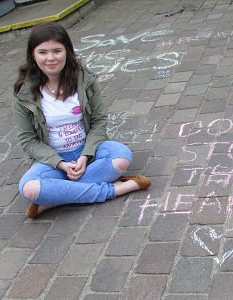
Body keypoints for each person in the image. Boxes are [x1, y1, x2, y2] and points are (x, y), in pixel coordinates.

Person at [13, 22, 151, 218]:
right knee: (29, 188)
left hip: (89, 151)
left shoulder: (85, 80)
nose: (50, 58)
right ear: (33, 55)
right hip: (52, 160)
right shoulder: (23, 93)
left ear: (67, 52)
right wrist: (60, 163)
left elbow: (99, 121)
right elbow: (28, 140)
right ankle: (114, 189)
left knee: (121, 157)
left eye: (57, 51)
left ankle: (55, 198)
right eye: (42, 52)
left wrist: (85, 157)